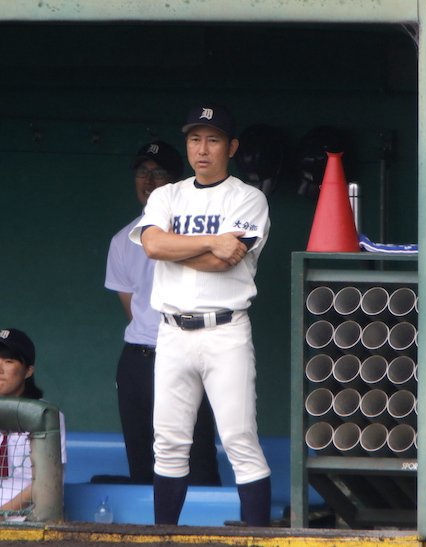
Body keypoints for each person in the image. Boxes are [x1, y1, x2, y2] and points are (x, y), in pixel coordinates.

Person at [129, 103, 272, 527]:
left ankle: (257, 539)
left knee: (240, 441)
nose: (202, 149)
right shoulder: (166, 194)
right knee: (169, 443)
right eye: (195, 139)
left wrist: (176, 248)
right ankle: (163, 537)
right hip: (171, 332)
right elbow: (153, 246)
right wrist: (210, 240)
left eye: (213, 139)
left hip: (224, 331)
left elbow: (223, 262)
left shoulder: (249, 197)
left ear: (232, 147)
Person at [105, 142, 222, 486]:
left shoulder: (199, 232)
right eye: (142, 171)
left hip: (188, 352)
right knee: (143, 458)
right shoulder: (122, 240)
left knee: (197, 455)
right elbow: (134, 310)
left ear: (176, 179)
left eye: (158, 172)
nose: (149, 180)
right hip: (140, 358)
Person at [0, 328, 67, 521]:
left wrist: (3, 512)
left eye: (8, 361)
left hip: (32, 512)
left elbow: (50, 480)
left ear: (28, 370)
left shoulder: (47, 415)